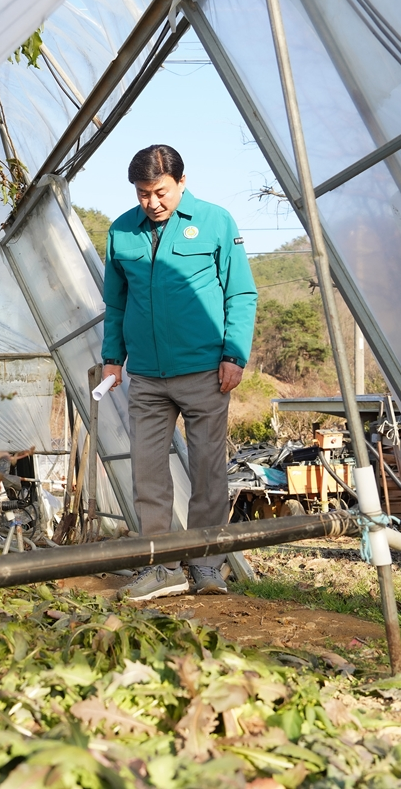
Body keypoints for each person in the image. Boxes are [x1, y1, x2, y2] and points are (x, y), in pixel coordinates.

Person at [101, 144, 257, 601]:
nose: (152, 202)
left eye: (160, 192)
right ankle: (162, 566)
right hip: (146, 376)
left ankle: (207, 565)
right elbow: (116, 302)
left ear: (181, 183)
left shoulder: (215, 222)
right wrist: (114, 358)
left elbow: (241, 294)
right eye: (143, 193)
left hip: (205, 371)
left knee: (208, 472)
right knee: (148, 474)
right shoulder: (121, 232)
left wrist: (234, 354)